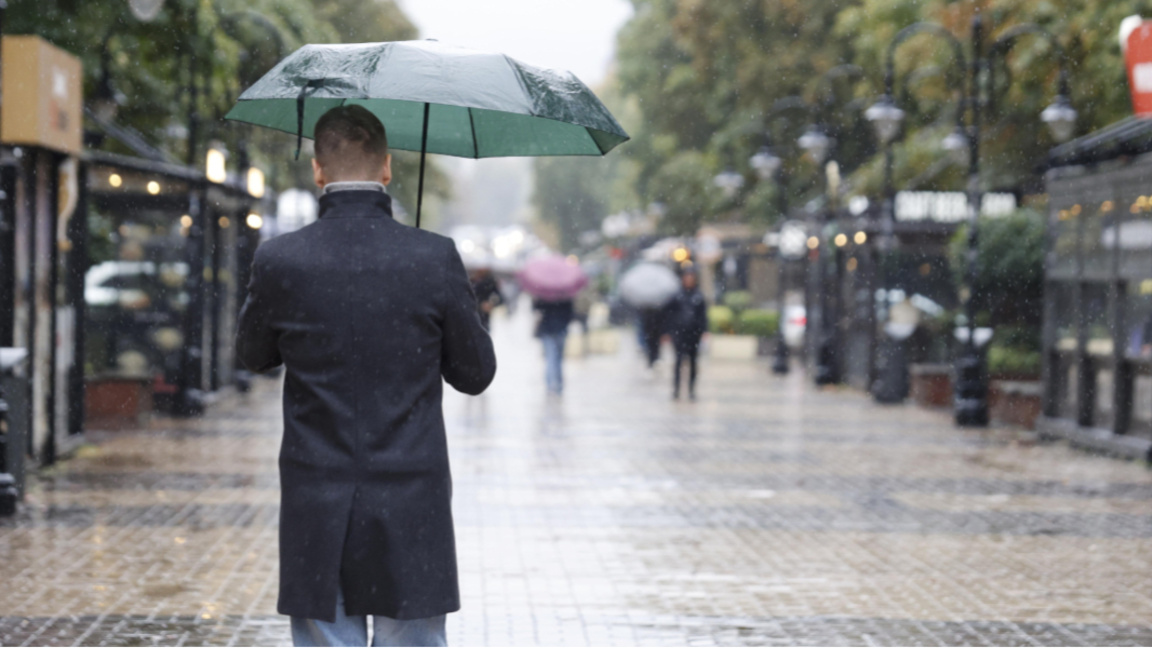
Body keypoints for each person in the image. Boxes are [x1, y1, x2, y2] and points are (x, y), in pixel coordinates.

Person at [236, 105, 496, 647]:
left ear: (317, 170)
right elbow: (475, 374)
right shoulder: (433, 257)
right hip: (411, 497)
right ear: (387, 168)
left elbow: (253, 356)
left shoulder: (281, 259)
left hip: (316, 492)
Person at [663, 269, 708, 400]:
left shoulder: (698, 296)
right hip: (679, 334)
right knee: (678, 362)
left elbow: (703, 316)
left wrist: (704, 330)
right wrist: (667, 332)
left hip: (694, 334)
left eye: (691, 277)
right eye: (686, 277)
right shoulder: (676, 295)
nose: (688, 279)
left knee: (693, 363)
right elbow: (669, 315)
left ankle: (691, 390)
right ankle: (676, 390)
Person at [533, 297, 574, 394]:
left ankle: (550, 385)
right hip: (561, 329)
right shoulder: (565, 295)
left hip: (547, 329)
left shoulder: (544, 294)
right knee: (558, 358)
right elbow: (571, 314)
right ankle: (558, 384)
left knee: (550, 357)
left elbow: (536, 308)